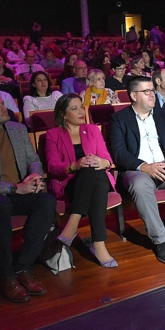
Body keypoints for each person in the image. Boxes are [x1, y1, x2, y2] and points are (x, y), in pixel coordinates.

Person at [0, 90, 56, 303]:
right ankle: (6, 275)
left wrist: (36, 174)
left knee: (46, 201)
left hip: (20, 190)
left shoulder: (18, 129)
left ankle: (23, 267)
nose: (4, 108)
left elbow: (33, 159)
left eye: (2, 103)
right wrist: (12, 188)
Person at [108, 76, 165, 264]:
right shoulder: (119, 119)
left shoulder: (164, 115)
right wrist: (144, 166)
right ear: (133, 95)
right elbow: (118, 153)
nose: (152, 94)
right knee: (139, 184)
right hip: (139, 170)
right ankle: (161, 239)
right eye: (147, 91)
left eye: (152, 90)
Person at [45, 94, 117, 268]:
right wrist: (74, 166)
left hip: (96, 176)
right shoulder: (52, 135)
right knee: (92, 173)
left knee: (93, 167)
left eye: (81, 107)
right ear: (63, 114)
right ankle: (98, 244)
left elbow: (107, 158)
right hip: (70, 183)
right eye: (74, 108)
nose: (80, 111)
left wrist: (103, 162)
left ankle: (73, 223)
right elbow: (52, 165)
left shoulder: (92, 130)